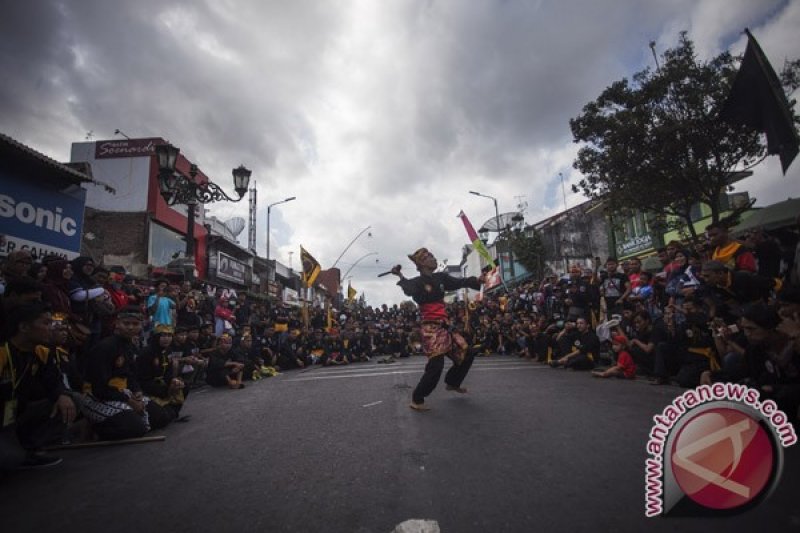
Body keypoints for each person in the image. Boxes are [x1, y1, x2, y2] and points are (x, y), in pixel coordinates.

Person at [390, 248, 484, 411]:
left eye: (433, 256)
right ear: (421, 264)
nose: (434, 259)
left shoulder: (441, 278)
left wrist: (477, 279)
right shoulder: (418, 283)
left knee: (467, 353)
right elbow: (409, 290)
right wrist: (400, 276)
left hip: (445, 325)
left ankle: (453, 383)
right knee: (436, 364)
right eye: (430, 257)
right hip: (430, 329)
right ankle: (417, 398)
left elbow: (459, 282)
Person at [0, 303, 77, 468]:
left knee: (68, 401)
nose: (51, 328)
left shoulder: (41, 352)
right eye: (46, 323)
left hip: (14, 414)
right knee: (9, 460)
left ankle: (30, 449)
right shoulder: (2, 353)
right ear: (24, 327)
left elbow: (54, 382)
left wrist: (62, 395)